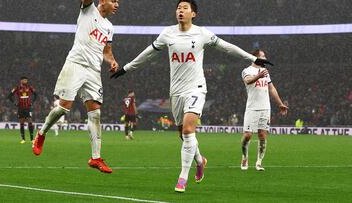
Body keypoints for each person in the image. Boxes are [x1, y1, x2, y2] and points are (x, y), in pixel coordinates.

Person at [111, 0, 273, 192]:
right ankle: (200, 160)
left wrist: (253, 58)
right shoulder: (167, 33)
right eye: (178, 8)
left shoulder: (202, 33)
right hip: (176, 92)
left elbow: (227, 47)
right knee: (183, 134)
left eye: (185, 8)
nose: (180, 10)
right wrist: (126, 69)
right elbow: (147, 54)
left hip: (196, 88)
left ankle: (182, 178)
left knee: (188, 130)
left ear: (193, 14)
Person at [32, 0, 120, 174]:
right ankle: (41, 134)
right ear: (102, 1)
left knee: (95, 113)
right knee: (64, 108)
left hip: (94, 71)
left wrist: (112, 61)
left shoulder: (109, 27)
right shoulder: (88, 10)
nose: (117, 5)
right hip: (76, 64)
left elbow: (107, 52)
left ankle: (95, 158)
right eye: (114, 0)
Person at [240, 49, 288, 171]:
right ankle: (245, 157)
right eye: (263, 56)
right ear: (256, 58)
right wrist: (258, 76)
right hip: (252, 108)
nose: (266, 58)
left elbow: (271, 88)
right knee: (247, 135)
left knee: (262, 135)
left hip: (265, 107)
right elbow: (247, 81)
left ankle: (259, 162)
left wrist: (280, 104)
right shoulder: (247, 71)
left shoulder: (265, 72)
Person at [8, 76, 37, 144]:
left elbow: (36, 95)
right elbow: (9, 96)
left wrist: (32, 102)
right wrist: (15, 104)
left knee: (30, 122)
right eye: (24, 80)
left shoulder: (30, 87)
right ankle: (23, 139)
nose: (25, 81)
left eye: (26, 80)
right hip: (20, 108)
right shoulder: (17, 88)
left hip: (28, 108)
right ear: (21, 81)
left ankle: (32, 139)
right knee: (22, 123)